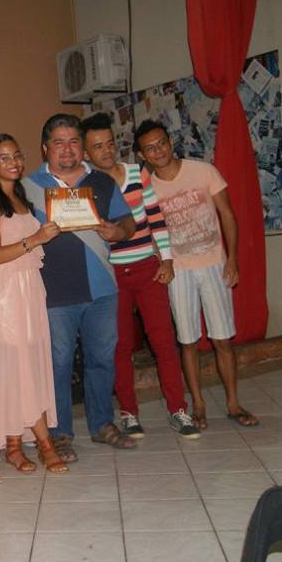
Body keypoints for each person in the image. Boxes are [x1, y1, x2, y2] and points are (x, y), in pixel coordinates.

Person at [20, 114, 137, 463]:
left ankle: (102, 424)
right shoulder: (27, 187)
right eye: (59, 142)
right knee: (57, 364)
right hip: (54, 292)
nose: (67, 149)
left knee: (101, 359)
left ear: (82, 147)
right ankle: (60, 433)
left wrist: (119, 232)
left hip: (101, 289)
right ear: (46, 147)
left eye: (73, 141)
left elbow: (128, 221)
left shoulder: (101, 181)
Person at [80, 113, 200, 440]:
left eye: (110, 143)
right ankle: (129, 413)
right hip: (112, 275)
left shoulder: (137, 173)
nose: (106, 151)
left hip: (148, 268)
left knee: (164, 341)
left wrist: (167, 260)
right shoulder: (86, 185)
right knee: (120, 345)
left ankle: (178, 409)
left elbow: (156, 219)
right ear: (86, 153)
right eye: (97, 147)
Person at [136, 119, 259, 429]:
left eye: (161, 143)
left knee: (222, 340)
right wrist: (162, 262)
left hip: (214, 264)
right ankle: (199, 406)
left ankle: (233, 404)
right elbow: (151, 233)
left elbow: (227, 215)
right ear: (142, 155)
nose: (158, 151)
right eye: (150, 148)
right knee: (188, 342)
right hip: (178, 272)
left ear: (170, 142)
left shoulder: (204, 171)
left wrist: (232, 260)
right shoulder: (146, 188)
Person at [0, 133, 69, 474]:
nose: (13, 162)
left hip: (29, 287)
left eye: (16, 155)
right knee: (17, 367)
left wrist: (46, 234)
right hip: (5, 292)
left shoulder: (21, 196)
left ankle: (15, 445)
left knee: (25, 365)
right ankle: (45, 445)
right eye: (4, 158)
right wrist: (35, 239)